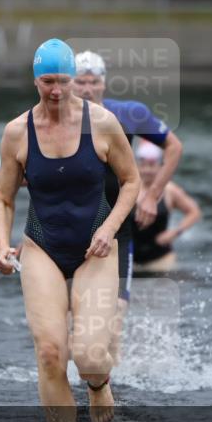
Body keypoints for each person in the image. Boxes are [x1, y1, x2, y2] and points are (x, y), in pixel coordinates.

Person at [0, 39, 140, 422]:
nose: (56, 91)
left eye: (63, 81)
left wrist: (109, 228)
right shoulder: (17, 132)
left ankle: (98, 384)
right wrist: (2, 245)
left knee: (90, 355)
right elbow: (3, 199)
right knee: (51, 354)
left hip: (95, 247)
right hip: (41, 246)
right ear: (34, 79)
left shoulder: (104, 123)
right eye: (46, 82)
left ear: (74, 78)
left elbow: (131, 182)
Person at [72, 50, 184, 362]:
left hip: (118, 231)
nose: (87, 88)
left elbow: (174, 147)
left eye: (93, 81)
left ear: (103, 84)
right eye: (80, 81)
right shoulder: (57, 121)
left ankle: (112, 393)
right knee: (76, 327)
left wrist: (151, 196)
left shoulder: (128, 113)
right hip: (72, 231)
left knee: (113, 322)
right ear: (69, 86)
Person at [132, 142, 202, 272]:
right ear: (137, 165)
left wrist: (175, 232)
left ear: (161, 166)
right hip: (131, 261)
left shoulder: (170, 190)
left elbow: (194, 212)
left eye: (152, 165)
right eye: (143, 165)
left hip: (161, 260)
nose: (147, 170)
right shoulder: (128, 188)